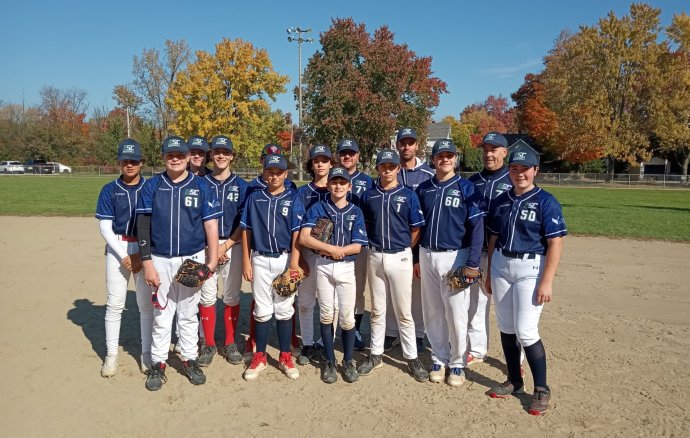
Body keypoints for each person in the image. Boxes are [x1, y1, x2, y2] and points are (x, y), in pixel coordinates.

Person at [485, 141, 566, 416]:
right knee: (506, 327)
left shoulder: (546, 201)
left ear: (535, 170)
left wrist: (547, 280)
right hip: (500, 265)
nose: (519, 173)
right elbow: (493, 236)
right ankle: (515, 380)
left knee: (526, 331)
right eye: (515, 168)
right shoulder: (501, 200)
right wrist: (489, 272)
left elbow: (555, 243)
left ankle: (542, 389)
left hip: (531, 268)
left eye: (525, 168)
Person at [136, 136, 221, 391]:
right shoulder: (152, 186)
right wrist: (147, 262)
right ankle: (158, 363)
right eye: (170, 155)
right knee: (162, 314)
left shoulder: (202, 186)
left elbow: (211, 225)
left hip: (192, 258)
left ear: (188, 158)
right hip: (160, 258)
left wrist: (213, 260)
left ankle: (189, 358)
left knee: (188, 313)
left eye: (180, 155)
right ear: (163, 158)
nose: (175, 159)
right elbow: (143, 225)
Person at [416, 139, 484, 386]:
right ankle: (438, 357)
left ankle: (457, 363)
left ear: (455, 158)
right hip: (426, 254)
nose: (444, 159)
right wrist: (416, 259)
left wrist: (473, 263)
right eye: (440, 155)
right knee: (432, 311)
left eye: (449, 155)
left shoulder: (466, 188)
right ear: (433, 159)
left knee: (456, 312)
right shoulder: (424, 189)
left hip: (456, 255)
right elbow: (417, 227)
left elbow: (477, 228)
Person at [357, 149, 428, 382]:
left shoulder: (408, 195)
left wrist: (406, 247)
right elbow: (366, 225)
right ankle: (375, 354)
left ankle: (411, 357)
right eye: (383, 166)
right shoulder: (369, 195)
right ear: (377, 168)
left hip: (400, 256)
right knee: (378, 309)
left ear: (398, 168)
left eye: (391, 166)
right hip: (376, 255)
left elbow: (416, 226)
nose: (387, 170)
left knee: (403, 311)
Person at [299, 167, 368, 384]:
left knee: (347, 317)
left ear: (350, 186)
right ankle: (329, 361)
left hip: (346, 266)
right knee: (327, 314)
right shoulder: (318, 207)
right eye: (334, 182)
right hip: (323, 264)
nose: (338, 186)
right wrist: (331, 250)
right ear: (328, 185)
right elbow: (304, 238)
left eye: (343, 182)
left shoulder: (356, 211)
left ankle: (348, 361)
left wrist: (339, 251)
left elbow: (358, 246)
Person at [240, 154, 305, 381]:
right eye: (271, 171)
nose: (274, 175)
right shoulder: (255, 198)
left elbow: (297, 232)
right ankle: (260, 356)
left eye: (279, 172)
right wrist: (246, 261)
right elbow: (246, 231)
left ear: (286, 174)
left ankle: (285, 355)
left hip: (284, 259)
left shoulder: (293, 198)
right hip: (259, 258)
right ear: (264, 173)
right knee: (262, 309)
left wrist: (295, 263)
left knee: (285, 308)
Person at [95, 138, 152, 377]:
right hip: (118, 248)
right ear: (119, 162)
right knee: (115, 304)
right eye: (124, 160)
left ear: (142, 162)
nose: (129, 164)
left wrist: (140, 254)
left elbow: (156, 224)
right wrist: (125, 256)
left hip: (145, 249)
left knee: (145, 305)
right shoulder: (109, 189)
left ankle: (147, 354)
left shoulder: (151, 187)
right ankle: (111, 356)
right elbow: (105, 227)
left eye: (134, 160)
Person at [196, 135, 248, 367]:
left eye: (225, 152)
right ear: (211, 155)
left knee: (231, 295)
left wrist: (225, 246)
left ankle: (229, 341)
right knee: (206, 295)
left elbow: (244, 223)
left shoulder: (242, 186)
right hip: (206, 247)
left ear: (232, 156)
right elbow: (195, 220)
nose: (221, 155)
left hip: (232, 246)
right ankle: (208, 343)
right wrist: (212, 248)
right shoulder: (199, 183)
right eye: (217, 151)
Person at [385, 127, 434, 354]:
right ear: (397, 145)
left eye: (410, 143)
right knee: (390, 290)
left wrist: (416, 251)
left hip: (417, 241)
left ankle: (419, 333)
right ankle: (391, 332)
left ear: (417, 145)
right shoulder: (389, 171)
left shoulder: (428, 175)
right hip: (392, 243)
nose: (406, 147)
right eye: (402, 142)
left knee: (416, 292)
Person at [466, 132, 512, 366]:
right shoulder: (473, 182)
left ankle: (517, 359)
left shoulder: (514, 180)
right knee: (476, 303)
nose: (489, 154)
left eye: (494, 149)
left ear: (505, 152)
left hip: (505, 254)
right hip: (479, 252)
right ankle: (476, 349)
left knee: (508, 308)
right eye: (485, 149)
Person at [295, 145, 334, 365]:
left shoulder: (338, 187)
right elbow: (297, 228)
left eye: (324, 159)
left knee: (330, 303)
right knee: (306, 301)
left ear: (331, 163)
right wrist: (299, 258)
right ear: (311, 164)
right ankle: (308, 343)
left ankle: (326, 341)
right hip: (309, 252)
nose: (320, 164)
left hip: (330, 254)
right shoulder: (303, 192)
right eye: (316, 160)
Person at [336, 138, 374, 351]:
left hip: (358, 243)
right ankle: (332, 330)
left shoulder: (367, 181)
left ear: (358, 155)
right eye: (343, 153)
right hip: (332, 244)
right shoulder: (332, 177)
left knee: (357, 289)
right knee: (332, 291)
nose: (347, 156)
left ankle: (355, 329)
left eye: (351, 153)